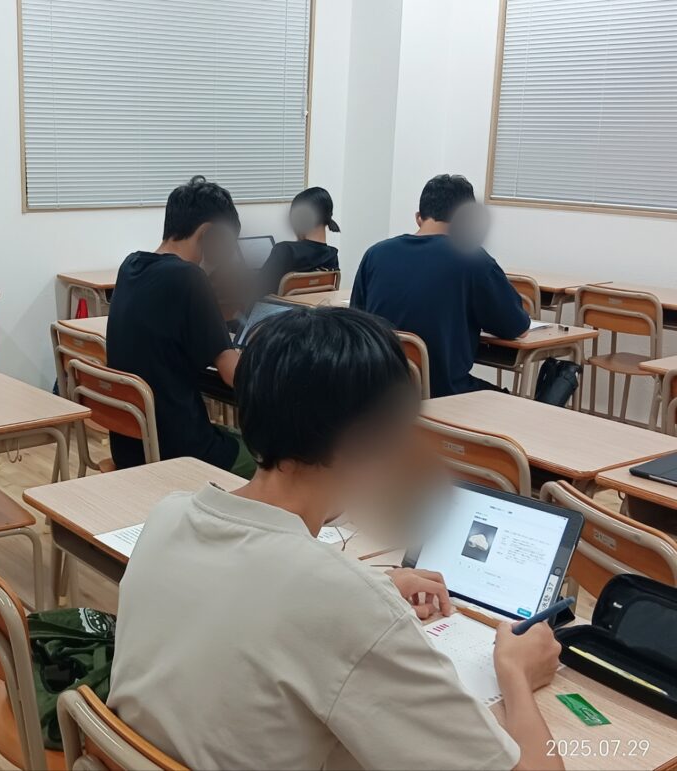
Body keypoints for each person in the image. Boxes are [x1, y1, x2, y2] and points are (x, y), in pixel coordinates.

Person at [109, 307, 562, 771]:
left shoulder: (168, 515)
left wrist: (370, 589)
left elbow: (257, 590)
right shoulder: (342, 603)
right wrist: (516, 673)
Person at [106, 175, 255, 479]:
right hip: (181, 453)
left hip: (131, 446)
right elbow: (233, 374)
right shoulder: (188, 278)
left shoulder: (131, 266)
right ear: (209, 233)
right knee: (277, 461)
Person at [351, 174, 529, 397]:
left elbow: (355, 322)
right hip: (443, 396)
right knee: (515, 403)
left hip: (376, 393)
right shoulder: (473, 259)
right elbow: (518, 328)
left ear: (418, 217)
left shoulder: (376, 254)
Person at [260, 186, 340, 296]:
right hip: (316, 307)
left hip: (281, 307)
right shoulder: (332, 256)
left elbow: (258, 290)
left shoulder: (285, 250)